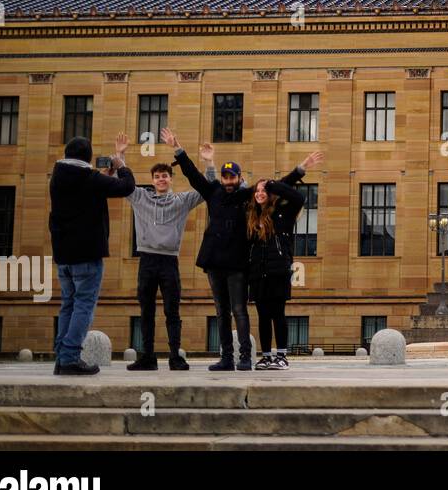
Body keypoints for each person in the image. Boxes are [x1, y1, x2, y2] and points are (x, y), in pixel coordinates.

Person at [163, 127, 313, 372]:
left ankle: (245, 357)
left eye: (233, 177)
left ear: (239, 178)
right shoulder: (212, 192)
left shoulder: (246, 196)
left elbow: (271, 188)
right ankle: (227, 358)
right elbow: (192, 175)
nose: (229, 181)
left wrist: (299, 170)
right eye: (226, 177)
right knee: (221, 312)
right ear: (221, 178)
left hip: (238, 265)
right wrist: (178, 149)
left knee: (239, 310)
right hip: (214, 263)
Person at [49, 133, 135, 376]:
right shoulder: (89, 178)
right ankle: (69, 358)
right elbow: (127, 186)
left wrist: (101, 179)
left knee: (68, 304)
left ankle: (61, 356)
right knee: (83, 306)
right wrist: (121, 165)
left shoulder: (57, 176)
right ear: (88, 157)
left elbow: (89, 191)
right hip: (86, 254)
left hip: (63, 255)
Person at [126, 154, 208, 371]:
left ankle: (175, 356)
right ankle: (148, 357)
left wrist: (209, 163)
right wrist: (121, 157)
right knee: (146, 310)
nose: (161, 179)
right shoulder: (140, 197)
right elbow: (124, 183)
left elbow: (205, 190)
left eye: (164, 176)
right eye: (157, 176)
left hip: (169, 261)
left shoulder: (181, 201)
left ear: (171, 179)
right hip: (146, 260)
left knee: (172, 310)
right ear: (152, 180)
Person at [247, 167, 318, 370]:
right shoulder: (251, 216)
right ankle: (267, 356)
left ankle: (282, 356)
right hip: (257, 273)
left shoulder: (283, 213)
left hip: (278, 271)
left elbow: (297, 197)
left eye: (264, 190)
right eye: (257, 190)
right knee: (262, 316)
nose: (260, 193)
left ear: (271, 194)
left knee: (278, 314)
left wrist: (271, 183)